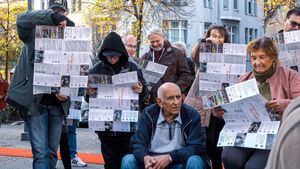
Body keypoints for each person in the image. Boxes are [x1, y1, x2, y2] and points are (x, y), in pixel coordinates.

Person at [6, 2, 73, 168]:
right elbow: (20, 19)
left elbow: (74, 71)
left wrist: (66, 91)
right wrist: (50, 17)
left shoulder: (70, 35)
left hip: (58, 105)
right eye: (55, 14)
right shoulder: (32, 32)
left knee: (51, 152)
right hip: (36, 104)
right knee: (41, 154)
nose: (59, 18)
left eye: (62, 14)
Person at [222, 37, 300, 169]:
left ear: (273, 57)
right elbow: (236, 109)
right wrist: (223, 111)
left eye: (262, 57)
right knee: (229, 157)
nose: (257, 62)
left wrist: (284, 104)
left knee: (254, 166)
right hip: (248, 131)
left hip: (275, 134)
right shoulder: (244, 78)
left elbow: (298, 104)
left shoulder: (290, 75)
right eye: (253, 57)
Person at [85, 31, 148, 169]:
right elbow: (89, 99)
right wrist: (89, 93)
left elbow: (145, 93)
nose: (112, 59)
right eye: (108, 56)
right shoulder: (96, 68)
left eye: (115, 56)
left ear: (121, 53)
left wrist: (141, 89)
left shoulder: (132, 67)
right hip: (105, 128)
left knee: (126, 161)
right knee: (110, 162)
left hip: (127, 128)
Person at [121, 82, 206, 169]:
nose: (176, 102)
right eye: (170, 98)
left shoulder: (191, 115)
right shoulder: (148, 114)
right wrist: (145, 158)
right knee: (128, 160)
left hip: (178, 161)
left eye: (178, 97)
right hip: (152, 161)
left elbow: (197, 146)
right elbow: (138, 142)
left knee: (195, 160)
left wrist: (170, 157)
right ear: (159, 102)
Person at [187, 25, 230, 169]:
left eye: (220, 36)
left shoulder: (230, 56)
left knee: (219, 145)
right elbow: (194, 56)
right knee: (206, 141)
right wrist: (205, 43)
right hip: (203, 104)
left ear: (225, 40)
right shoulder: (203, 51)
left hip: (222, 105)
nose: (217, 39)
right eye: (214, 36)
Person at [141, 28, 191, 103]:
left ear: (163, 38)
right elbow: (142, 79)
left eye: (157, 41)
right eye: (152, 42)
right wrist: (145, 93)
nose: (155, 44)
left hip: (172, 100)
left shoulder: (176, 53)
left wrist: (174, 90)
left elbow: (186, 75)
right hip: (153, 101)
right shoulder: (145, 57)